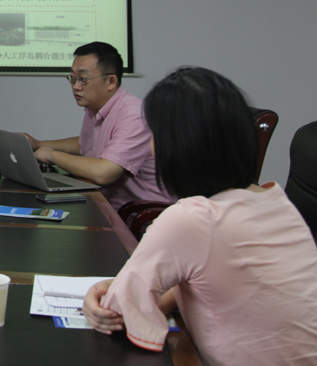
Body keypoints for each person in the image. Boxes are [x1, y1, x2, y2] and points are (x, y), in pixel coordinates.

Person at [82, 67, 317, 365]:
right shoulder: (274, 200)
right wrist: (131, 289)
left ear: (175, 145)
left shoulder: (192, 219)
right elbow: (215, 280)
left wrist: (100, 297)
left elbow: (117, 312)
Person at [24, 41, 174, 210]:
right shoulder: (95, 107)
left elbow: (104, 173)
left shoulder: (134, 115)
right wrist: (38, 144)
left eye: (83, 79)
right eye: (72, 78)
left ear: (111, 81)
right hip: (105, 205)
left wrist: (52, 155)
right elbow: (85, 144)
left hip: (139, 215)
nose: (76, 86)